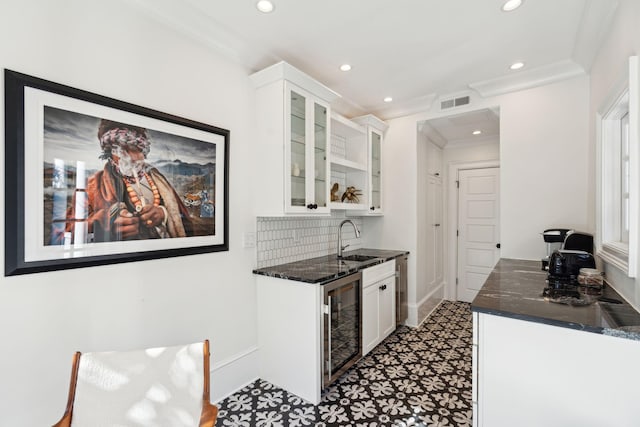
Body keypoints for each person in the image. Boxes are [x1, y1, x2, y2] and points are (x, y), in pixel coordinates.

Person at [67, 119, 194, 242]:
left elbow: (186, 221)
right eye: (119, 150)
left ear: (143, 151)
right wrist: (106, 224)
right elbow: (67, 234)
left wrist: (163, 214)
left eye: (134, 148)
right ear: (109, 154)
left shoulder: (158, 180)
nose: (128, 157)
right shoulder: (92, 186)